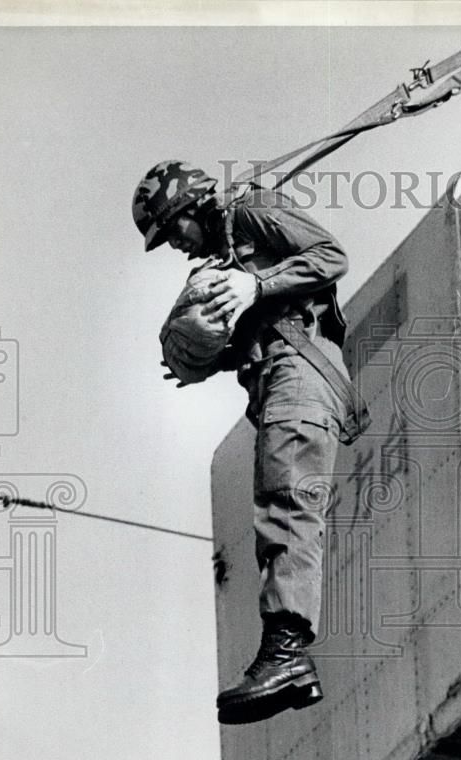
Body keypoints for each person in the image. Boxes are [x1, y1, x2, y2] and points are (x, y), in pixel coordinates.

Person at [132, 160, 354, 724]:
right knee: (277, 508)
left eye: (172, 231)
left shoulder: (250, 210)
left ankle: (286, 653)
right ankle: (287, 657)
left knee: (287, 507)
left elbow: (331, 256)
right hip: (277, 379)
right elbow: (255, 328)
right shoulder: (225, 252)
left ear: (189, 208)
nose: (176, 247)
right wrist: (204, 358)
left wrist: (255, 282)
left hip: (300, 372)